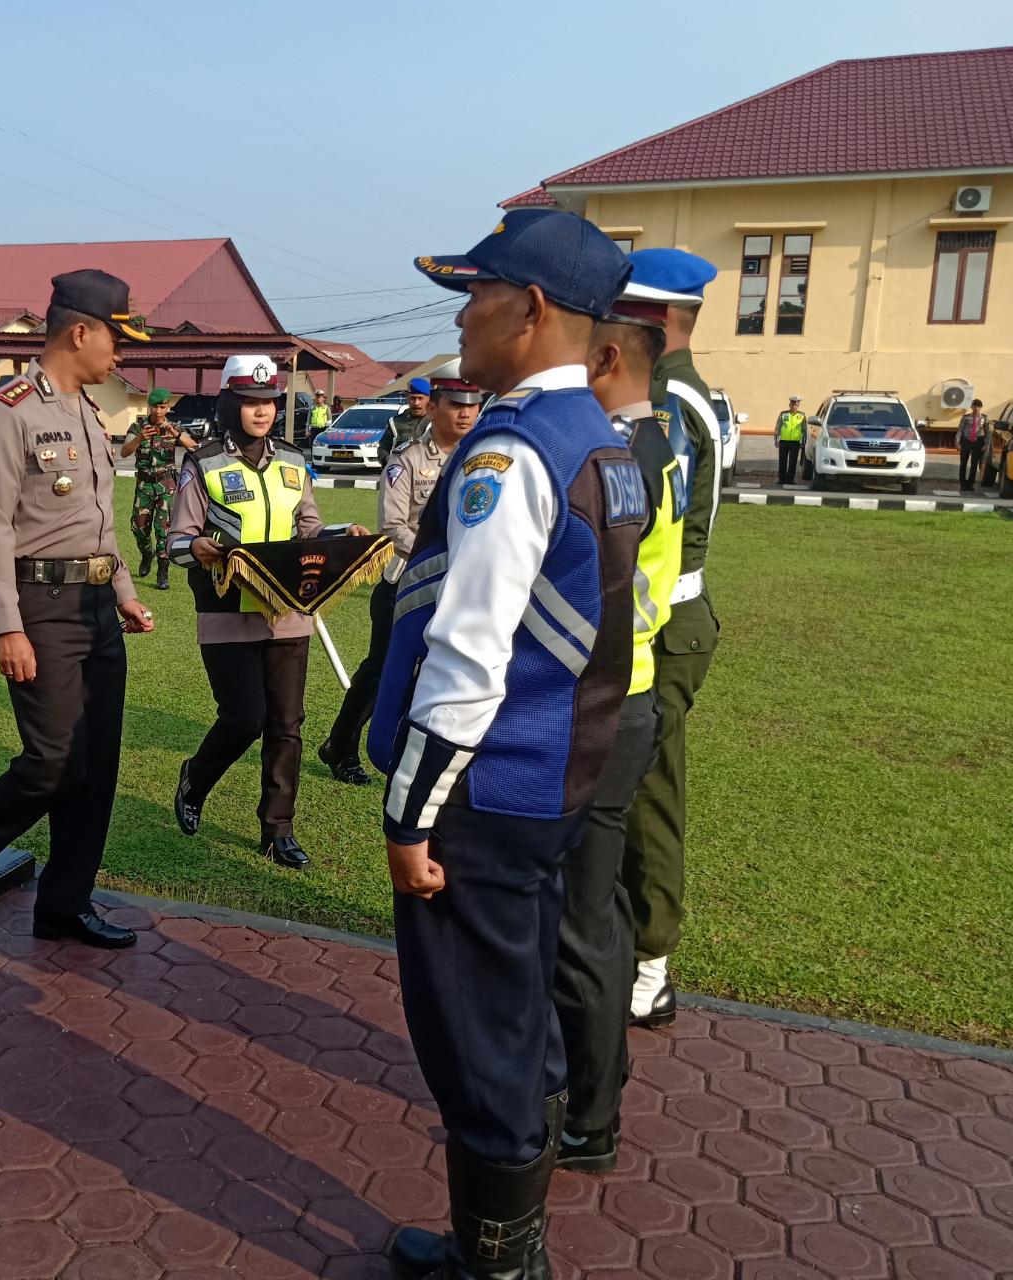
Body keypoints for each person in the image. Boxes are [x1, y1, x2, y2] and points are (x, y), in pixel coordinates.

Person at [368, 209, 640, 1280]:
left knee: (475, 1033)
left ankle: (495, 1265)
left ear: (527, 309)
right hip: (560, 773)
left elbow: (468, 651)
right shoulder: (604, 440)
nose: (461, 315)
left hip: (483, 790)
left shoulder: (512, 449)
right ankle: (503, 1248)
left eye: (474, 294)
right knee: (517, 1007)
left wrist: (409, 811)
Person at [0, 268, 155, 948]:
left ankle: (65, 904)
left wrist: (123, 593)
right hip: (41, 605)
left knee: (95, 767)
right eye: (116, 340)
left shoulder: (90, 416)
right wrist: (7, 624)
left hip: (97, 604)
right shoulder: (10, 412)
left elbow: (100, 525)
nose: (121, 356)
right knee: (54, 760)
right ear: (80, 331)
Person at [553, 287, 685, 1172]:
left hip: (597, 700)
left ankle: (589, 1116)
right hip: (629, 692)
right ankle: (598, 1083)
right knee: (600, 903)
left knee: (579, 919)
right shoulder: (656, 442)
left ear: (607, 360)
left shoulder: (616, 449)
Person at [166, 355, 369, 870]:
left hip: (287, 611)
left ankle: (278, 829)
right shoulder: (204, 463)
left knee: (286, 723)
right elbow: (176, 541)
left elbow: (307, 528)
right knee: (244, 718)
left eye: (270, 402)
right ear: (231, 404)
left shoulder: (293, 462)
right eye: (252, 402)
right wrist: (201, 549)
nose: (262, 411)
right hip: (226, 608)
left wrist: (340, 535)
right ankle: (197, 776)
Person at [624, 248, 722, 1029]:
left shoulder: (662, 401)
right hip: (671, 612)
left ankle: (650, 963)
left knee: (650, 790)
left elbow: (644, 524)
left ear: (650, 319)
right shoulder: (689, 390)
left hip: (660, 618)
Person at [318, 359, 483, 785]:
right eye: (455, 404)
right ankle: (341, 745)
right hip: (406, 585)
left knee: (436, 674)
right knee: (382, 670)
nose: (465, 413)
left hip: (462, 588)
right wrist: (449, 557)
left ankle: (413, 756)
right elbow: (393, 529)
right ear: (433, 408)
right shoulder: (407, 462)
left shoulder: (485, 462)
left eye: (473, 404)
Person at [121, 387, 197, 590]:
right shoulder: (138, 427)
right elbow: (124, 452)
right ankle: (147, 553)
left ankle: (162, 574)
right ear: (150, 406)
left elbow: (194, 448)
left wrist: (177, 434)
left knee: (163, 530)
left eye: (162, 407)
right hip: (144, 485)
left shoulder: (173, 427)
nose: (158, 411)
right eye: (155, 406)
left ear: (168, 407)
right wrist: (139, 439)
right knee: (139, 528)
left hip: (166, 485)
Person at [380, 377, 431, 460]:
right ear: (407, 398)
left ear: (429, 399)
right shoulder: (395, 422)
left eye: (420, 398)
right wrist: (387, 460)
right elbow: (383, 448)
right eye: (412, 398)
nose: (416, 403)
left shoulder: (437, 422)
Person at [956, 398, 988, 491]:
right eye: (974, 406)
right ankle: (963, 484)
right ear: (971, 407)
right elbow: (960, 430)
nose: (976, 408)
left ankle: (970, 484)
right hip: (966, 441)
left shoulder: (984, 418)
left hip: (978, 442)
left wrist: (985, 443)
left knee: (974, 464)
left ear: (981, 407)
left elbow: (988, 432)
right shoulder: (966, 417)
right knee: (963, 463)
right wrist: (957, 442)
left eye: (978, 407)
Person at [775, 395, 807, 485]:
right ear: (789, 404)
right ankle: (782, 479)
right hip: (784, 441)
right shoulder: (783, 414)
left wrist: (803, 443)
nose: (794, 406)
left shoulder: (802, 416)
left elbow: (804, 430)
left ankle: (790, 480)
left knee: (793, 462)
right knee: (782, 461)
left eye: (796, 404)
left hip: (795, 442)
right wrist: (776, 440)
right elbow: (778, 427)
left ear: (798, 405)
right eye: (792, 404)